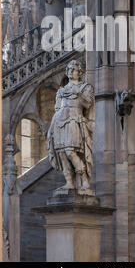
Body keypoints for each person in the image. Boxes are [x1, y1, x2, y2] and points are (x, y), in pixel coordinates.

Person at [47, 60, 95, 192]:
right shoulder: (61, 90)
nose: (70, 72)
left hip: (74, 119)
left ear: (79, 72)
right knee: (62, 152)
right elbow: (57, 108)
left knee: (70, 151)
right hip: (59, 122)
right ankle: (69, 182)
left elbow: (88, 104)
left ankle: (84, 179)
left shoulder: (85, 87)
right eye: (68, 69)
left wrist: (79, 94)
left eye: (73, 69)